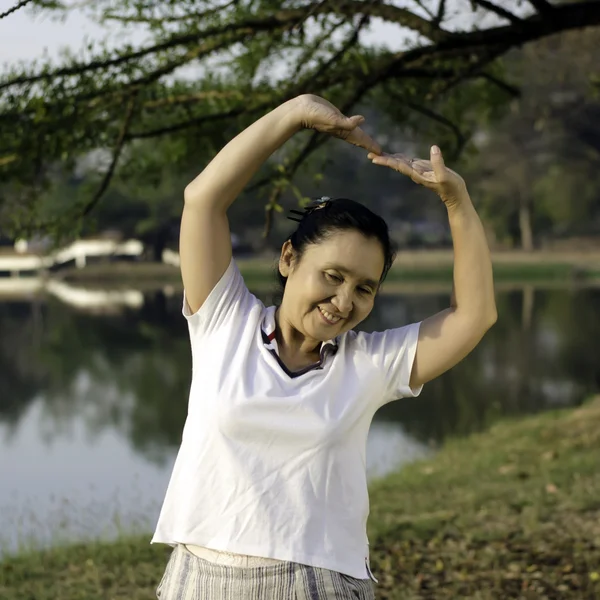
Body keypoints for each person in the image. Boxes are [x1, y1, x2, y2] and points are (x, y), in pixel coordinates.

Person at [150, 94, 497, 599]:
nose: (343, 301)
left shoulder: (370, 364)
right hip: (200, 578)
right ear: (289, 258)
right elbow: (203, 199)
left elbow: (475, 315)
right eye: (331, 276)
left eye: (364, 289)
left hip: (318, 583)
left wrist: (456, 203)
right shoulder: (225, 322)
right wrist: (293, 115)